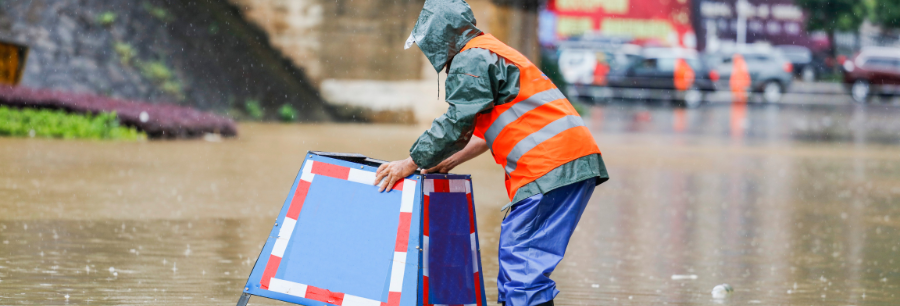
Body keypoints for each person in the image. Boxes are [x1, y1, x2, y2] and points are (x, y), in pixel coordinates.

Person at [373, 0, 609, 305]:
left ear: (439, 36)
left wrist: (410, 162)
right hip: (568, 162)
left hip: (550, 167)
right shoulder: (490, 49)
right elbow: (486, 127)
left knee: (521, 262)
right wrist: (452, 158)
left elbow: (457, 122)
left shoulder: (470, 58)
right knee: (523, 263)